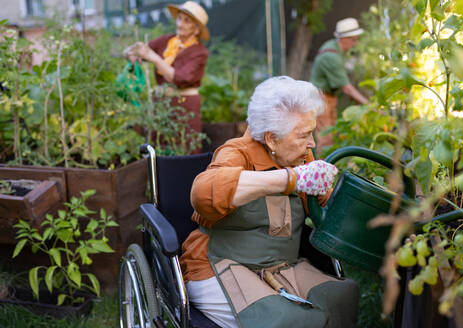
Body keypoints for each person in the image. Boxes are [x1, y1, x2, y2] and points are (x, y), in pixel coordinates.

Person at [180, 76, 359, 328]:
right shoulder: (236, 153)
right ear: (272, 139)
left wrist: (331, 196)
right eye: (304, 135)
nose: (313, 144)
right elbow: (204, 193)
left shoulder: (301, 155)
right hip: (221, 264)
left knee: (342, 296)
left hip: (282, 265)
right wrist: (290, 179)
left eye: (312, 133)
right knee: (286, 320)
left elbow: (326, 211)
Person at [126, 1, 209, 150]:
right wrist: (131, 53)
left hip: (185, 105)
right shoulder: (166, 41)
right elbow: (137, 50)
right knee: (160, 144)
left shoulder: (200, 52)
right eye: (179, 18)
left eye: (187, 21)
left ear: (196, 30)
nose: (180, 24)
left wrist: (154, 58)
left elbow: (179, 78)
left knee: (186, 146)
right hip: (161, 103)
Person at [310, 17, 369, 155]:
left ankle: (329, 166)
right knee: (326, 137)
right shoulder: (332, 56)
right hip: (320, 97)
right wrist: (367, 104)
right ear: (344, 38)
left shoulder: (335, 48)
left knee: (332, 134)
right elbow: (346, 87)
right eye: (354, 39)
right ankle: (321, 171)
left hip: (329, 96)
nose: (356, 43)